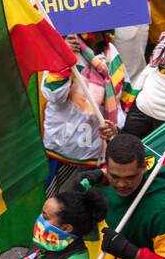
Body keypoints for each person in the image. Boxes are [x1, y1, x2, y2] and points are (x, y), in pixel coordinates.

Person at [42, 31, 123, 194]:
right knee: (56, 206)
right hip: (60, 150)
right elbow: (53, 94)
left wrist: (114, 129)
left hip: (93, 154)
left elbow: (120, 99)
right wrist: (63, 58)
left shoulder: (111, 53)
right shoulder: (62, 47)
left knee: (84, 209)